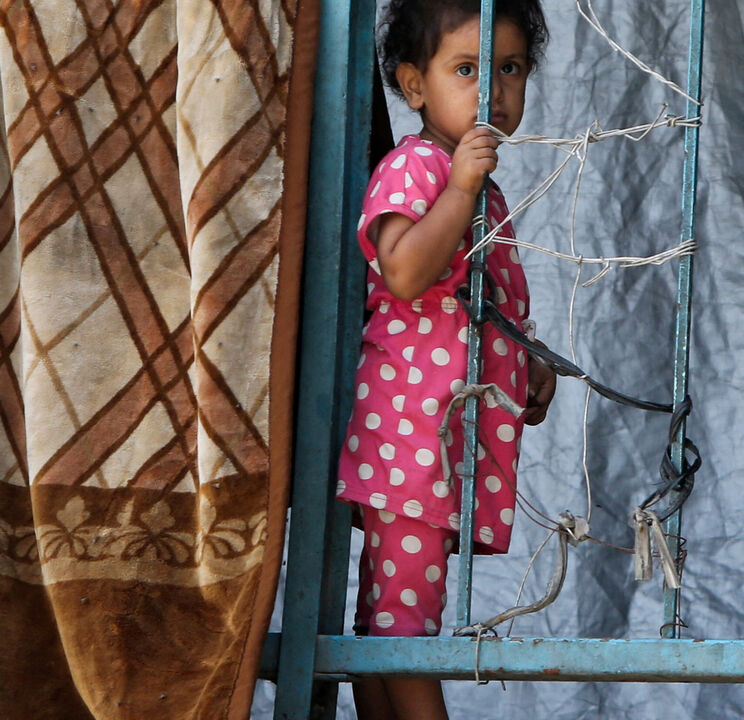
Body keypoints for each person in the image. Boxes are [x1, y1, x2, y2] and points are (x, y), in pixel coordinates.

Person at [334, 1, 557, 718]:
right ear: (414, 85)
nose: (491, 90)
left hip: (439, 438)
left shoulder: (480, 188)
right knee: (405, 623)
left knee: (386, 623)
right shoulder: (418, 166)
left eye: (510, 68)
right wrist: (458, 188)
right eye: (466, 69)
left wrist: (531, 359)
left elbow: (485, 304)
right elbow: (402, 274)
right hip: (409, 441)